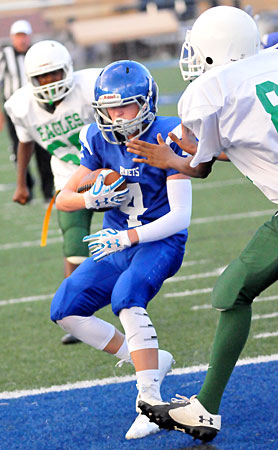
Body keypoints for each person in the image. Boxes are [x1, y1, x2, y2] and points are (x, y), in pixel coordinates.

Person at [125, 5, 278, 443]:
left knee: (233, 290)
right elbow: (253, 141)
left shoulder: (211, 91)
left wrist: (172, 158)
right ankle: (206, 407)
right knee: (233, 288)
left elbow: (201, 166)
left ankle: (207, 409)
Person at [50, 60, 192, 439]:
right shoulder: (96, 138)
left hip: (158, 239)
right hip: (116, 240)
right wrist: (88, 203)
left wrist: (128, 238)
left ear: (146, 101)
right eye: (110, 107)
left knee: (127, 297)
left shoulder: (169, 134)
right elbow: (63, 197)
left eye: (125, 105)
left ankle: (149, 401)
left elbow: (181, 216)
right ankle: (147, 360)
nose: (117, 115)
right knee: (65, 309)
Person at [4, 40, 101, 344]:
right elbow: (25, 143)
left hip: (109, 166)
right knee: (74, 243)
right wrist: (22, 183)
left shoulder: (90, 87)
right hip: (69, 175)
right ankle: (76, 314)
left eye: (54, 74)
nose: (49, 82)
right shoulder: (20, 106)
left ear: (68, 70)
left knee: (134, 231)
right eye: (42, 77)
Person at [0, 20, 54, 202]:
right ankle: (26, 187)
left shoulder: (36, 54)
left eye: (24, 36)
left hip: (38, 108)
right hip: (14, 111)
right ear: (13, 37)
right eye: (18, 36)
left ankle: (48, 192)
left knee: (44, 149)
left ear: (29, 37)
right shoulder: (4, 55)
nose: (21, 40)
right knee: (19, 149)